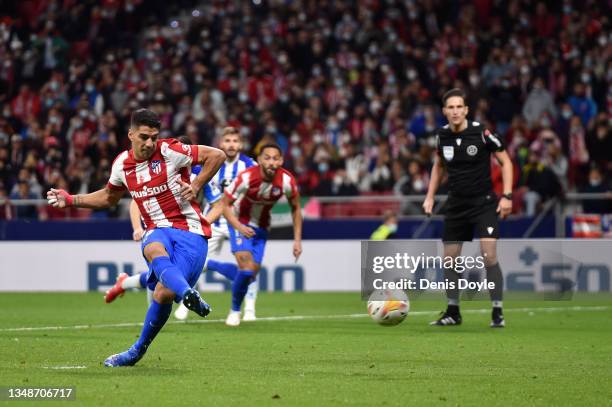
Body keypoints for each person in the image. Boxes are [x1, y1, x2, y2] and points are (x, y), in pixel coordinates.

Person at [47, 109, 225, 367]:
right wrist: (72, 199)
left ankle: (140, 347)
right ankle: (187, 295)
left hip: (191, 231)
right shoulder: (121, 164)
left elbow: (216, 155)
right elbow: (109, 197)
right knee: (152, 244)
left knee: (163, 294)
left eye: (154, 137)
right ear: (131, 135)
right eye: (144, 137)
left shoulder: (170, 150)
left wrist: (195, 185)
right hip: (157, 229)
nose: (150, 143)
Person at [423, 89, 513, 328]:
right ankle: (453, 312)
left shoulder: (481, 133)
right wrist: (430, 196)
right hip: (456, 204)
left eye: (458, 107)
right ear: (444, 111)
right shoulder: (442, 136)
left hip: (483, 203)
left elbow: (506, 162)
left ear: (465, 110)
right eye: (450, 107)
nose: (454, 111)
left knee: (488, 256)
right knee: (450, 260)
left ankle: (497, 312)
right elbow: (438, 166)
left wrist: (507, 196)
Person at [103, 136, 223, 306]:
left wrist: (200, 224)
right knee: (162, 277)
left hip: (188, 231)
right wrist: (137, 227)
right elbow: (136, 202)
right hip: (158, 230)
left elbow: (219, 205)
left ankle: (124, 283)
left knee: (168, 275)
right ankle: (152, 310)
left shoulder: (199, 174)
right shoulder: (163, 168)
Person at [173, 127, 258, 321]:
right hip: (214, 219)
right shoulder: (210, 163)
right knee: (196, 263)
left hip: (240, 222)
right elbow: (212, 197)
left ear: (241, 144)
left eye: (235, 141)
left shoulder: (250, 166)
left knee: (247, 264)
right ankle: (185, 305)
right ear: (221, 143)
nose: (231, 145)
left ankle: (250, 308)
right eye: (227, 141)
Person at [219, 143, 303, 326]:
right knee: (247, 268)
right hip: (240, 223)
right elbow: (224, 205)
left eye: (275, 158)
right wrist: (238, 227)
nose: (271, 162)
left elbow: (296, 208)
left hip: (262, 229)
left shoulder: (287, 181)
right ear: (259, 160)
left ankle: (211, 264)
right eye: (267, 158)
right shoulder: (246, 178)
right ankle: (234, 311)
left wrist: (297, 240)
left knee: (250, 274)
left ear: (281, 160)